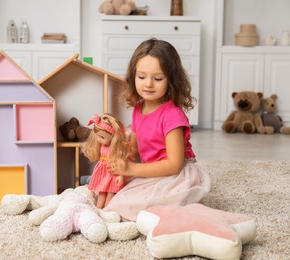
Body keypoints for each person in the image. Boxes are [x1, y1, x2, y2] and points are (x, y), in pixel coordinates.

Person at [104, 38, 211, 221]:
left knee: (131, 206)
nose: (148, 84)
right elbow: (135, 150)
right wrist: (121, 159)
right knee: (111, 190)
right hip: (149, 171)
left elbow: (174, 164)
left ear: (171, 80)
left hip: (176, 176)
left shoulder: (172, 116)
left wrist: (130, 169)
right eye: (142, 77)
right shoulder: (138, 110)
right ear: (133, 76)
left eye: (158, 78)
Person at [81, 113, 130, 209]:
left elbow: (121, 161)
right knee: (102, 190)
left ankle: (107, 208)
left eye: (102, 137)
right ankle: (99, 208)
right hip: (102, 170)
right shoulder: (102, 146)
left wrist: (120, 176)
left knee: (111, 191)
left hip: (112, 171)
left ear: (113, 136)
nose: (99, 140)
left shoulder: (115, 148)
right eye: (98, 136)